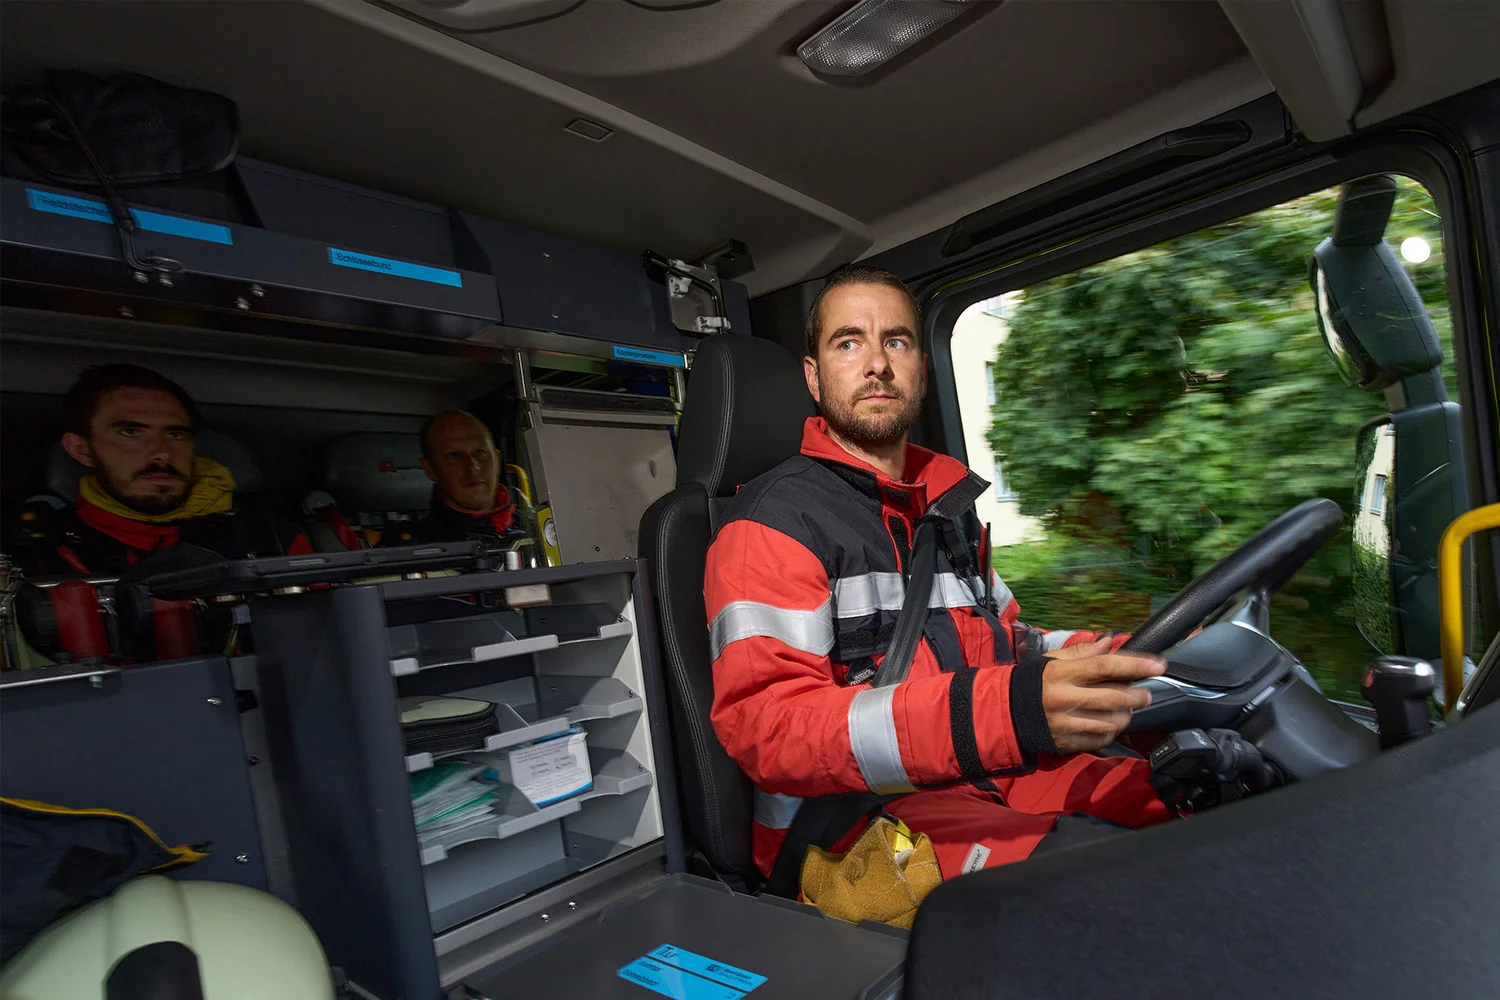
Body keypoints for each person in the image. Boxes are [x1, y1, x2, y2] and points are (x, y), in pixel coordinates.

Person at [704, 265, 1176, 886]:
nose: (876, 363)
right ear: (815, 379)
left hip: (988, 771)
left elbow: (1013, 644)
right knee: (1110, 884)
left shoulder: (945, 507)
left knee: (1193, 804)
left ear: (921, 368)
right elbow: (771, 729)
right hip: (852, 826)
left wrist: (1141, 657)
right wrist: (1007, 712)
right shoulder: (771, 525)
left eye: (895, 341)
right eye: (849, 342)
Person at [12, 364, 311, 578]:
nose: (161, 453)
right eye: (131, 432)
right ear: (82, 450)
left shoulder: (269, 536)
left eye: (175, 435)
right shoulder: (36, 553)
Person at [396, 410, 529, 548]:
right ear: (430, 469)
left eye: (479, 452)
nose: (472, 466)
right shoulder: (413, 549)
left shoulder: (542, 530)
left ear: (497, 460)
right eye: (454, 455)